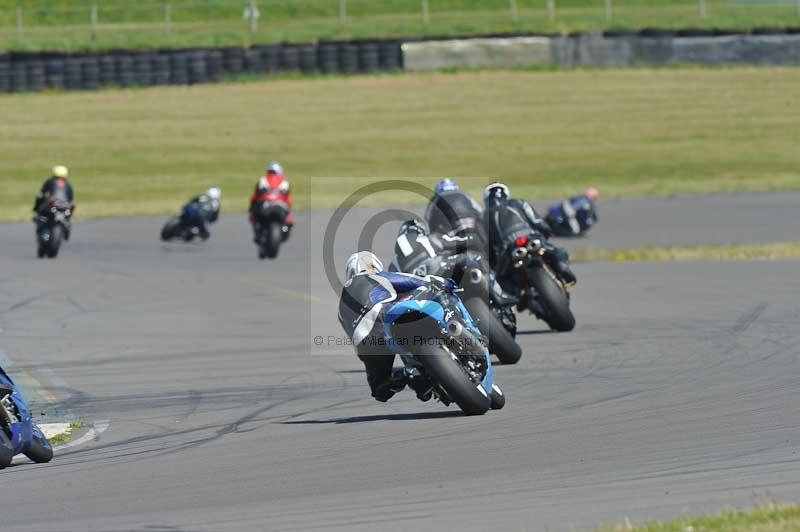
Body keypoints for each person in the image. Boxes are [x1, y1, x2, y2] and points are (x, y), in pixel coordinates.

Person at [338, 251, 459, 403]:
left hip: (364, 346)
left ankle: (409, 376)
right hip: (383, 319)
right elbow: (413, 281)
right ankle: (453, 327)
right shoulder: (372, 276)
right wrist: (442, 283)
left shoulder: (341, 306)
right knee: (434, 292)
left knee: (380, 389)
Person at [482, 181, 576, 285]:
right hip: (530, 237)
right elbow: (538, 222)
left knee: (501, 280)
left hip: (508, 249)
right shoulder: (519, 202)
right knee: (558, 251)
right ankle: (562, 267)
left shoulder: (483, 216)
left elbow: (487, 246)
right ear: (506, 194)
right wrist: (545, 233)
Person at [389, 219, 482, 277]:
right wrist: (473, 238)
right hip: (436, 270)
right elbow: (463, 241)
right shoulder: (431, 238)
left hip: (414, 291)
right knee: (474, 256)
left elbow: (393, 282)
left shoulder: (394, 262)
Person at [424, 178, 486, 242]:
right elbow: (480, 212)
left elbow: (427, 219)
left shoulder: (436, 199)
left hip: (451, 231)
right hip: (473, 225)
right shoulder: (464, 195)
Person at [249, 161, 293, 241]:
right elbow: (288, 200)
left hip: (265, 206)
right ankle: (284, 231)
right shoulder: (285, 183)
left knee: (254, 217)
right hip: (281, 207)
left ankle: (258, 233)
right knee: (287, 222)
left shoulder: (262, 180)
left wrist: (251, 209)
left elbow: (254, 197)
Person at [33, 165, 75, 239]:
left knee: (41, 214)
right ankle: (67, 222)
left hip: (52, 203)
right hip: (66, 205)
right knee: (70, 210)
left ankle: (41, 221)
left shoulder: (50, 181)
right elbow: (71, 198)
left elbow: (41, 194)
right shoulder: (68, 184)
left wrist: (36, 208)